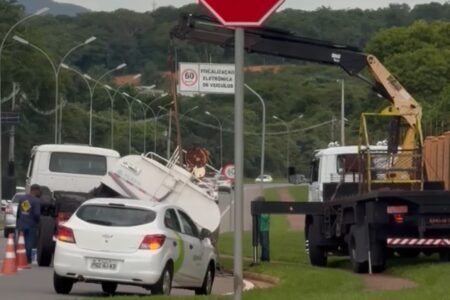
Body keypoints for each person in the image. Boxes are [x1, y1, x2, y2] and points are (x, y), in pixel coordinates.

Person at [16, 184, 41, 264]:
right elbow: (37, 214)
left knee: (21, 241)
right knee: (29, 242)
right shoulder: (36, 201)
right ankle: (27, 259)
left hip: (21, 223)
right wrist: (38, 221)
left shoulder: (22, 198)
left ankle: (19, 257)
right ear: (36, 190)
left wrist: (18, 221)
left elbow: (18, 212)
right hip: (31, 224)